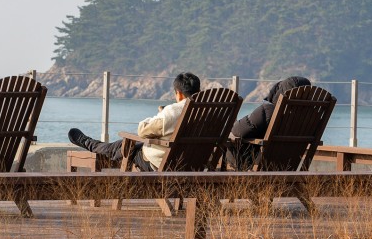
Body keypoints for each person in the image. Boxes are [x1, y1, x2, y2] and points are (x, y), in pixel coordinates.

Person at [67, 72, 201, 171]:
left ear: (179, 93)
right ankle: (92, 144)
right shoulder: (211, 112)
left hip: (161, 163)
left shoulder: (173, 111)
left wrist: (161, 114)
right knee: (128, 145)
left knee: (123, 145)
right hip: (194, 163)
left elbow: (143, 130)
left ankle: (89, 143)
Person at [226, 76, 311, 170]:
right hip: (291, 168)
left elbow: (238, 130)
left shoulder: (268, 110)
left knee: (232, 140)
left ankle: (234, 176)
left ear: (280, 91)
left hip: (266, 169)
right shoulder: (311, 116)